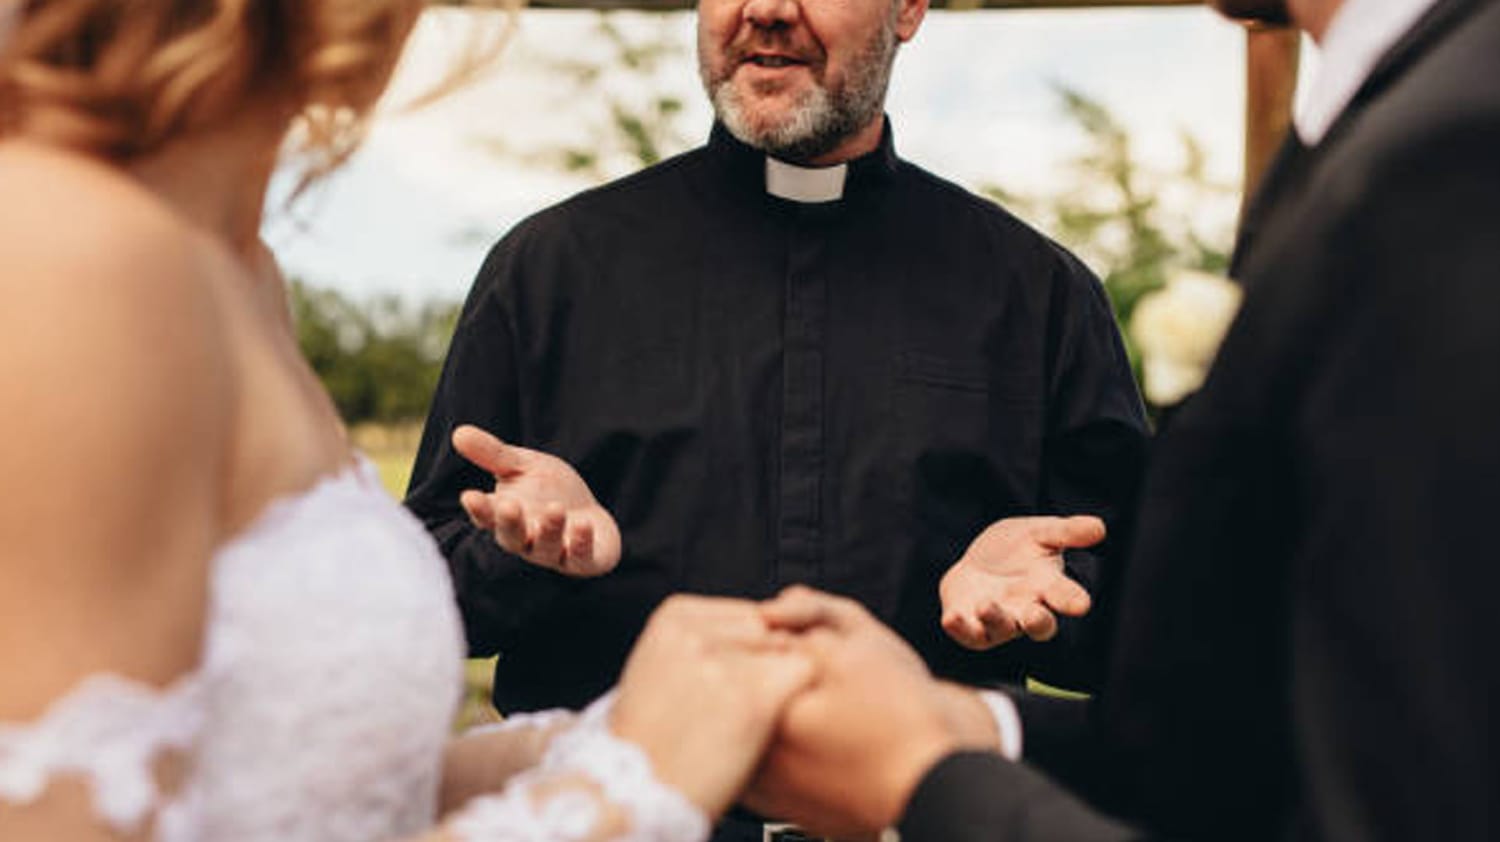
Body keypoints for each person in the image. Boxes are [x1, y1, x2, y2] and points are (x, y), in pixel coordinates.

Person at [0, 3, 818, 840]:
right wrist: (639, 787)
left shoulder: (248, 278)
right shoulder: (79, 257)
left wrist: (610, 738)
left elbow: (320, 793)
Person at [742, 0, 1500, 838]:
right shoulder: (1376, 129)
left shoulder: (1457, 144)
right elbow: (1270, 725)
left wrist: (926, 781)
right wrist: (976, 727)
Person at [404, 0, 1149, 725]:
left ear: (910, 9)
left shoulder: (1037, 290)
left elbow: (1148, 615)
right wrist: (522, 553)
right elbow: (421, 604)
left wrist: (1052, 599)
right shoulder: (549, 269)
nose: (766, 9)